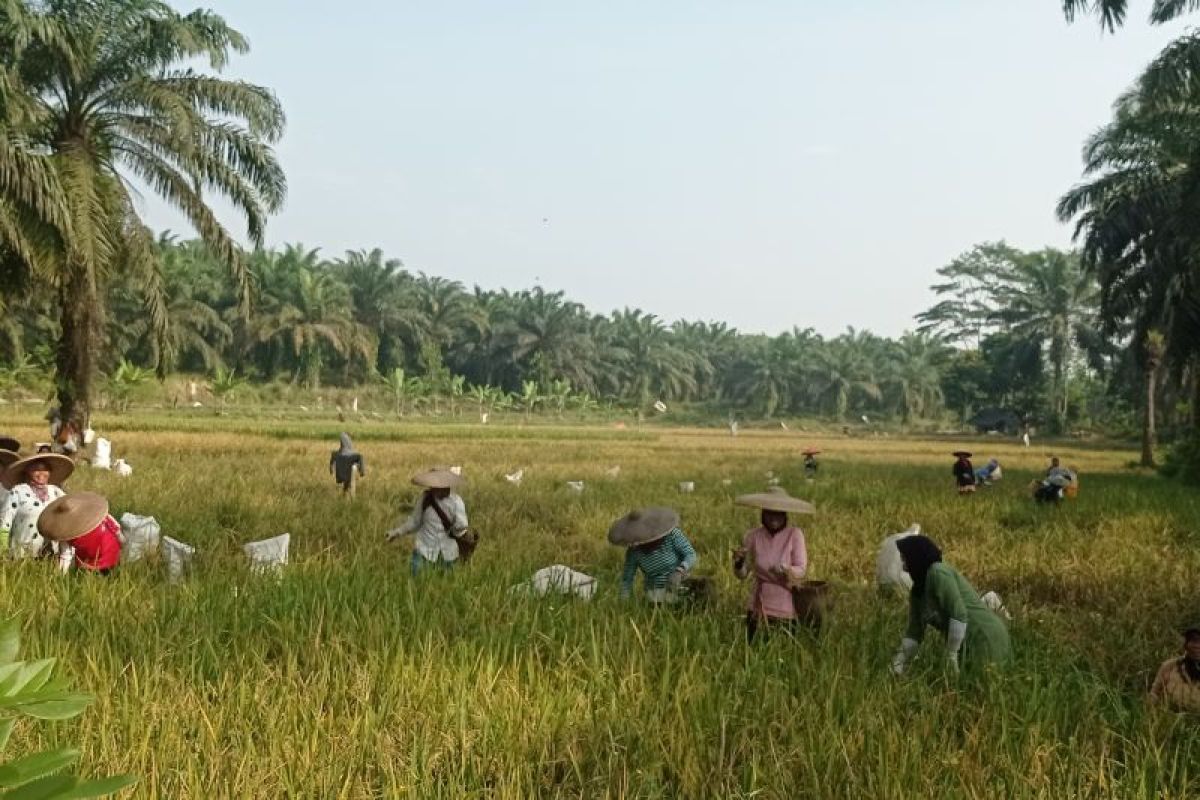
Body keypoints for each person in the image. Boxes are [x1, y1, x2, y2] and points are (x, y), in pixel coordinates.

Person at [886, 534, 1010, 675]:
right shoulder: (918, 592)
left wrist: (951, 653)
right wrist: (898, 663)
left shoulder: (938, 573)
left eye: (904, 558)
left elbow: (958, 613)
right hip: (964, 644)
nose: (903, 566)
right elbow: (914, 632)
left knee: (982, 685)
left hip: (984, 635)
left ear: (916, 556)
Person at [732, 487, 813, 641]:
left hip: (786, 603)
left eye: (778, 513)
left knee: (783, 650)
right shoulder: (753, 536)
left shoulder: (795, 534)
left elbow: (801, 569)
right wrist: (738, 563)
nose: (773, 518)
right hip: (758, 603)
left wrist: (785, 569)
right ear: (763, 513)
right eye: (769, 513)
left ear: (784, 515)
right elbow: (743, 575)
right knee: (754, 647)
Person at [386, 469, 470, 575]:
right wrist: (396, 532)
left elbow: (462, 526)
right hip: (424, 549)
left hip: (448, 553)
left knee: (447, 585)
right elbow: (414, 522)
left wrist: (457, 526)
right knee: (415, 582)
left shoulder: (456, 502)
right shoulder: (425, 499)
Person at [609, 507, 698, 604]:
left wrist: (680, 570)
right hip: (655, 595)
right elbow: (627, 579)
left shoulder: (672, 535)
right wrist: (623, 601)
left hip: (680, 585)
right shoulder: (634, 552)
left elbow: (690, 554)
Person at [1, 454, 73, 558]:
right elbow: (5, 522)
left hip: (50, 554)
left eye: (45, 469)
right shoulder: (18, 491)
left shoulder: (56, 492)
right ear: (27, 471)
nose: (41, 473)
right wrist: (3, 550)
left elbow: (71, 513)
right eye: (36, 469)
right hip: (21, 555)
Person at [38, 492, 121, 575]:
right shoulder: (67, 534)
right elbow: (117, 529)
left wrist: (61, 574)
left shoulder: (99, 517)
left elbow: (65, 555)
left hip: (108, 554)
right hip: (95, 558)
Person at [1149, 628, 1200, 713]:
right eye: (1194, 640)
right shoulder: (1169, 666)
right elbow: (1154, 695)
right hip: (1172, 721)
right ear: (1186, 644)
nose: (1197, 645)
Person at [329, 432, 365, 497]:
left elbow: (332, 461)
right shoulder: (354, 455)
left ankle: (348, 499)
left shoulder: (336, 454)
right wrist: (361, 471)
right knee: (349, 486)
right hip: (349, 470)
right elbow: (360, 457)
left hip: (345, 472)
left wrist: (331, 469)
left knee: (349, 486)